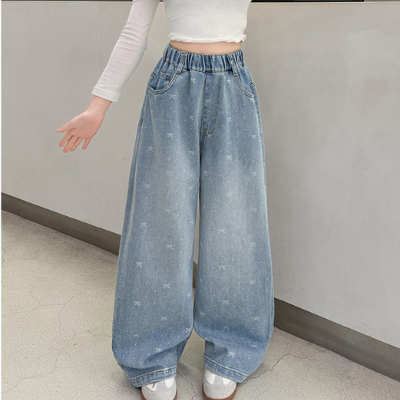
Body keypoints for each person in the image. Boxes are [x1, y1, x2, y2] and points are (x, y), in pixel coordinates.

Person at [57, 1, 275, 399]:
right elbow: (134, 32)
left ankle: (231, 349)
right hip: (174, 83)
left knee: (236, 222)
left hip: (233, 83)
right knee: (159, 220)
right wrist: (97, 106)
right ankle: (151, 354)